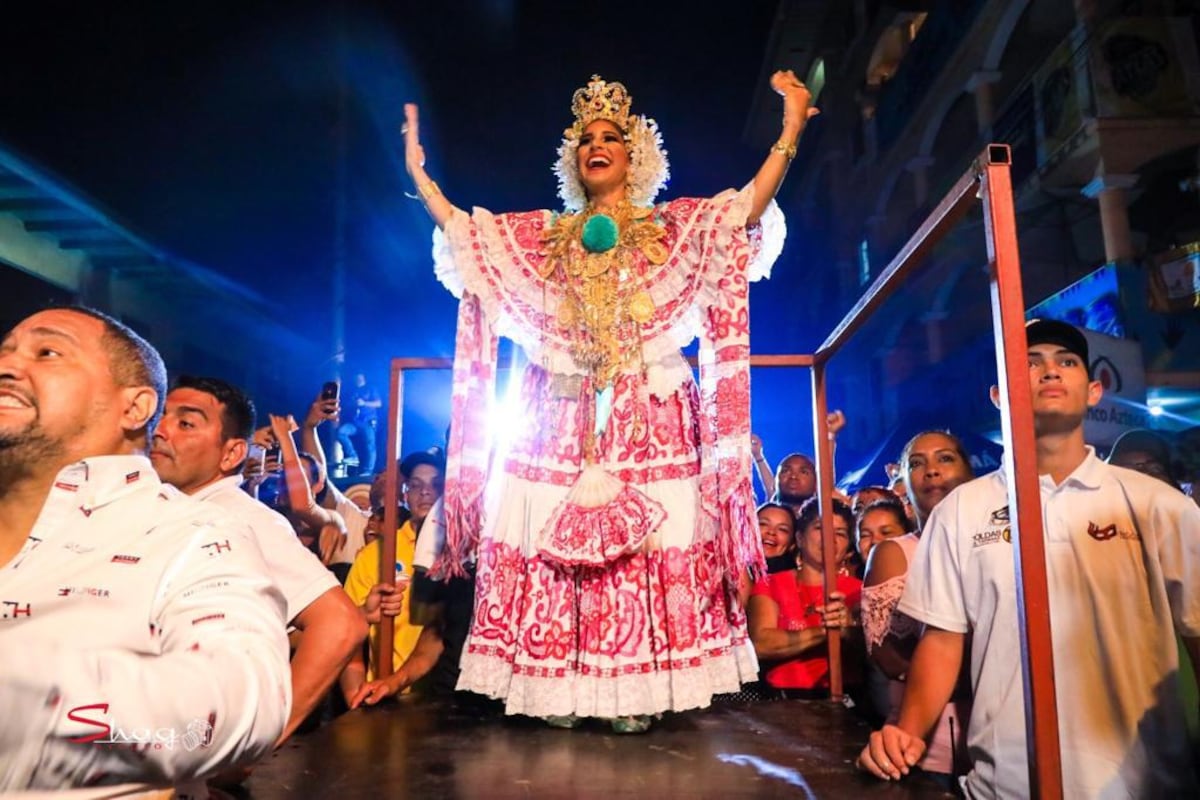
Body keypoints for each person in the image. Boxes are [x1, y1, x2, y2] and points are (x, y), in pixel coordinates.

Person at [401, 70, 817, 730]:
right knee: (555, 554)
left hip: (648, 418)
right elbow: (466, 233)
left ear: (635, 155)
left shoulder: (671, 229)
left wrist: (790, 130)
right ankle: (559, 693)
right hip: (558, 420)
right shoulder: (544, 237)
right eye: (585, 139)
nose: (596, 145)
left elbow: (743, 211)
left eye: (611, 137)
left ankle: (635, 699)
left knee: (643, 555)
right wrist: (420, 176)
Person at [858, 319, 1200, 798]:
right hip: (1006, 784)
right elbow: (942, 640)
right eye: (1030, 362)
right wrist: (906, 735)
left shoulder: (1158, 505)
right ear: (1000, 395)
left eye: (1066, 361)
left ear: (1095, 390)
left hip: (1144, 782)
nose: (1049, 372)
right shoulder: (961, 510)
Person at [0, 307, 290, 792]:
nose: (7, 368)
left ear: (134, 409)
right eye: (4, 352)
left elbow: (243, 703)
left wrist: (23, 700)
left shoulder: (194, 534)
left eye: (47, 352)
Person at [150, 375, 368, 745]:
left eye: (185, 423)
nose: (161, 431)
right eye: (161, 418)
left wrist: (254, 745)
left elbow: (341, 624)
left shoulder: (241, 517)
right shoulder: (170, 511)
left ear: (232, 453)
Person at [859, 431, 974, 783]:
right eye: (917, 464)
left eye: (945, 458)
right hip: (923, 742)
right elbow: (888, 656)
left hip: (1003, 734)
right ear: (903, 485)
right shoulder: (894, 552)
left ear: (970, 474)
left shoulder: (997, 545)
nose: (932, 471)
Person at [339, 451, 444, 707]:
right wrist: (356, 695)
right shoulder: (377, 555)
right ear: (404, 494)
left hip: (445, 699)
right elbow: (346, 630)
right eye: (416, 485)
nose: (425, 492)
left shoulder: (463, 555)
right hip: (389, 698)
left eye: (436, 485)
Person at [747, 497, 862, 698]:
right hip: (782, 701)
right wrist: (828, 630)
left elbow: (873, 648)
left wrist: (850, 630)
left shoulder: (860, 591)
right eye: (820, 528)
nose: (830, 538)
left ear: (850, 548)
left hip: (847, 697)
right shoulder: (771, 584)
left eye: (840, 533)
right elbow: (761, 643)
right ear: (799, 539)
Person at [336, 373, 381, 476]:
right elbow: (346, 405)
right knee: (340, 432)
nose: (358, 380)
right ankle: (353, 456)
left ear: (364, 378)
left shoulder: (371, 389)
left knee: (370, 445)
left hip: (368, 421)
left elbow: (379, 403)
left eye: (360, 377)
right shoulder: (353, 391)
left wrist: (364, 403)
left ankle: (368, 471)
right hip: (355, 423)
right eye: (356, 378)